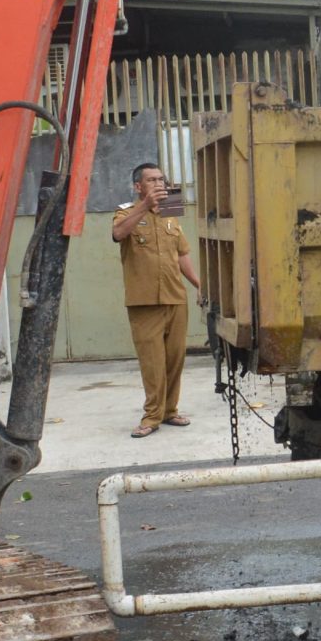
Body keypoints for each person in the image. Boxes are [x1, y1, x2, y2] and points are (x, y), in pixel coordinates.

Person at [112, 161, 204, 438]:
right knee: (152, 362)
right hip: (144, 302)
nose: (158, 184)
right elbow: (118, 234)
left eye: (160, 179)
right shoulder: (125, 213)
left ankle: (169, 411)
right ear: (138, 186)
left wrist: (199, 285)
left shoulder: (170, 214)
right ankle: (152, 416)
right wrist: (144, 206)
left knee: (175, 359)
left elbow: (181, 254)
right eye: (151, 180)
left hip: (175, 298)